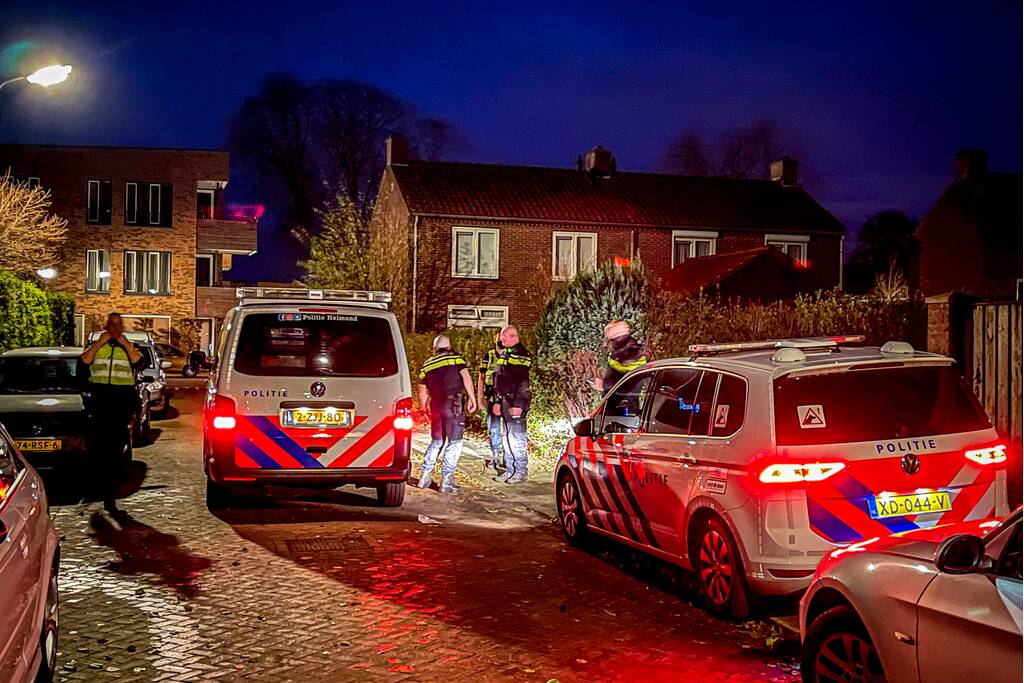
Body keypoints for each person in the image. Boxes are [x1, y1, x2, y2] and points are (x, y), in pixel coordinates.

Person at [80, 313, 147, 513]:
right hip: (99, 407)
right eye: (112, 325)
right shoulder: (98, 346)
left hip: (120, 409)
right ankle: (100, 491)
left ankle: (110, 495)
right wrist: (99, 343)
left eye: (119, 325)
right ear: (106, 326)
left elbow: (140, 364)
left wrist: (126, 344)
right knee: (98, 453)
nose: (115, 329)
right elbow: (83, 362)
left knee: (116, 454)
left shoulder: (127, 347)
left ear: (123, 327)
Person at [417, 335, 477, 493]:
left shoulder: (427, 365)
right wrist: (473, 399)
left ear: (434, 348)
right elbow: (466, 378)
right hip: (453, 405)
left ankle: (424, 476)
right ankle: (446, 481)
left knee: (437, 441)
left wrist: (425, 408)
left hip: (436, 406)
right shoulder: (456, 359)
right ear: (449, 347)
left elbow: (422, 390)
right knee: (455, 442)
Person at [491, 325, 532, 484]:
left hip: (515, 402)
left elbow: (522, 382)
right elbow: (499, 379)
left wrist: (518, 404)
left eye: (504, 336)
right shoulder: (506, 353)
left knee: (516, 437)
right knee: (507, 437)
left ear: (514, 336)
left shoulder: (520, 354)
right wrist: (497, 401)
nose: (501, 339)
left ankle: (520, 471)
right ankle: (510, 469)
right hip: (505, 401)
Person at [594, 320, 649, 393]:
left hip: (625, 399)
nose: (606, 343)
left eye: (609, 338)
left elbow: (630, 386)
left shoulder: (629, 356)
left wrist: (604, 385)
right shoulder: (620, 354)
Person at [476, 334, 505, 472]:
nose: (501, 341)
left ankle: (507, 459)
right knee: (494, 428)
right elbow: (481, 377)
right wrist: (479, 398)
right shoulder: (489, 355)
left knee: (507, 430)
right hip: (491, 398)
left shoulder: (511, 355)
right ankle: (495, 457)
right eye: (499, 339)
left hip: (506, 398)